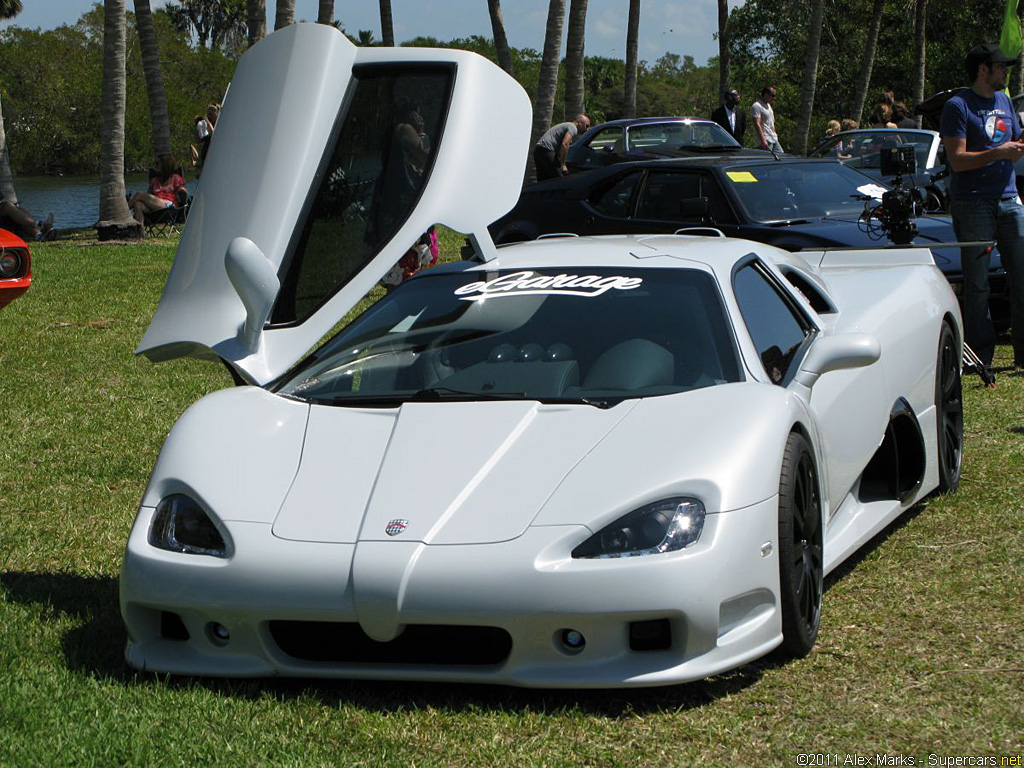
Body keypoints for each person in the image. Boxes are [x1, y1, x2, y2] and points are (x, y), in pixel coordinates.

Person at [941, 43, 1024, 382]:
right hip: (973, 203)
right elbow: (957, 161)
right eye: (1000, 67)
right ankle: (980, 357)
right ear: (982, 70)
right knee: (978, 285)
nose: (1006, 72)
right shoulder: (957, 106)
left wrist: (1014, 150)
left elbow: (1014, 148)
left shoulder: (1004, 102)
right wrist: (998, 152)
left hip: (1009, 199)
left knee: (1021, 277)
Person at [129, 154, 187, 234]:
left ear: (165, 165)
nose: (155, 166)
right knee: (138, 204)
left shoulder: (175, 178)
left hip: (169, 207)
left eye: (157, 163)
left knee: (139, 194)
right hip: (155, 210)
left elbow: (183, 191)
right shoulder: (155, 180)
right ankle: (141, 232)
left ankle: (125, 209)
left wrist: (181, 191)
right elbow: (149, 194)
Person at [533, 114, 590, 180]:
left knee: (543, 180)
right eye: (587, 126)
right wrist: (563, 164)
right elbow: (565, 144)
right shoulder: (573, 127)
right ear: (579, 122)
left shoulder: (566, 125)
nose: (587, 129)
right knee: (558, 179)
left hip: (538, 150)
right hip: (547, 150)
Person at [751, 86, 782, 153]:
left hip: (773, 138)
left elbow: (771, 122)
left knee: (781, 155)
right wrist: (763, 140)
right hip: (766, 139)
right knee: (769, 158)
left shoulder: (768, 106)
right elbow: (757, 123)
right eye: (772, 95)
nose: (773, 98)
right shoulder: (757, 106)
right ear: (766, 94)